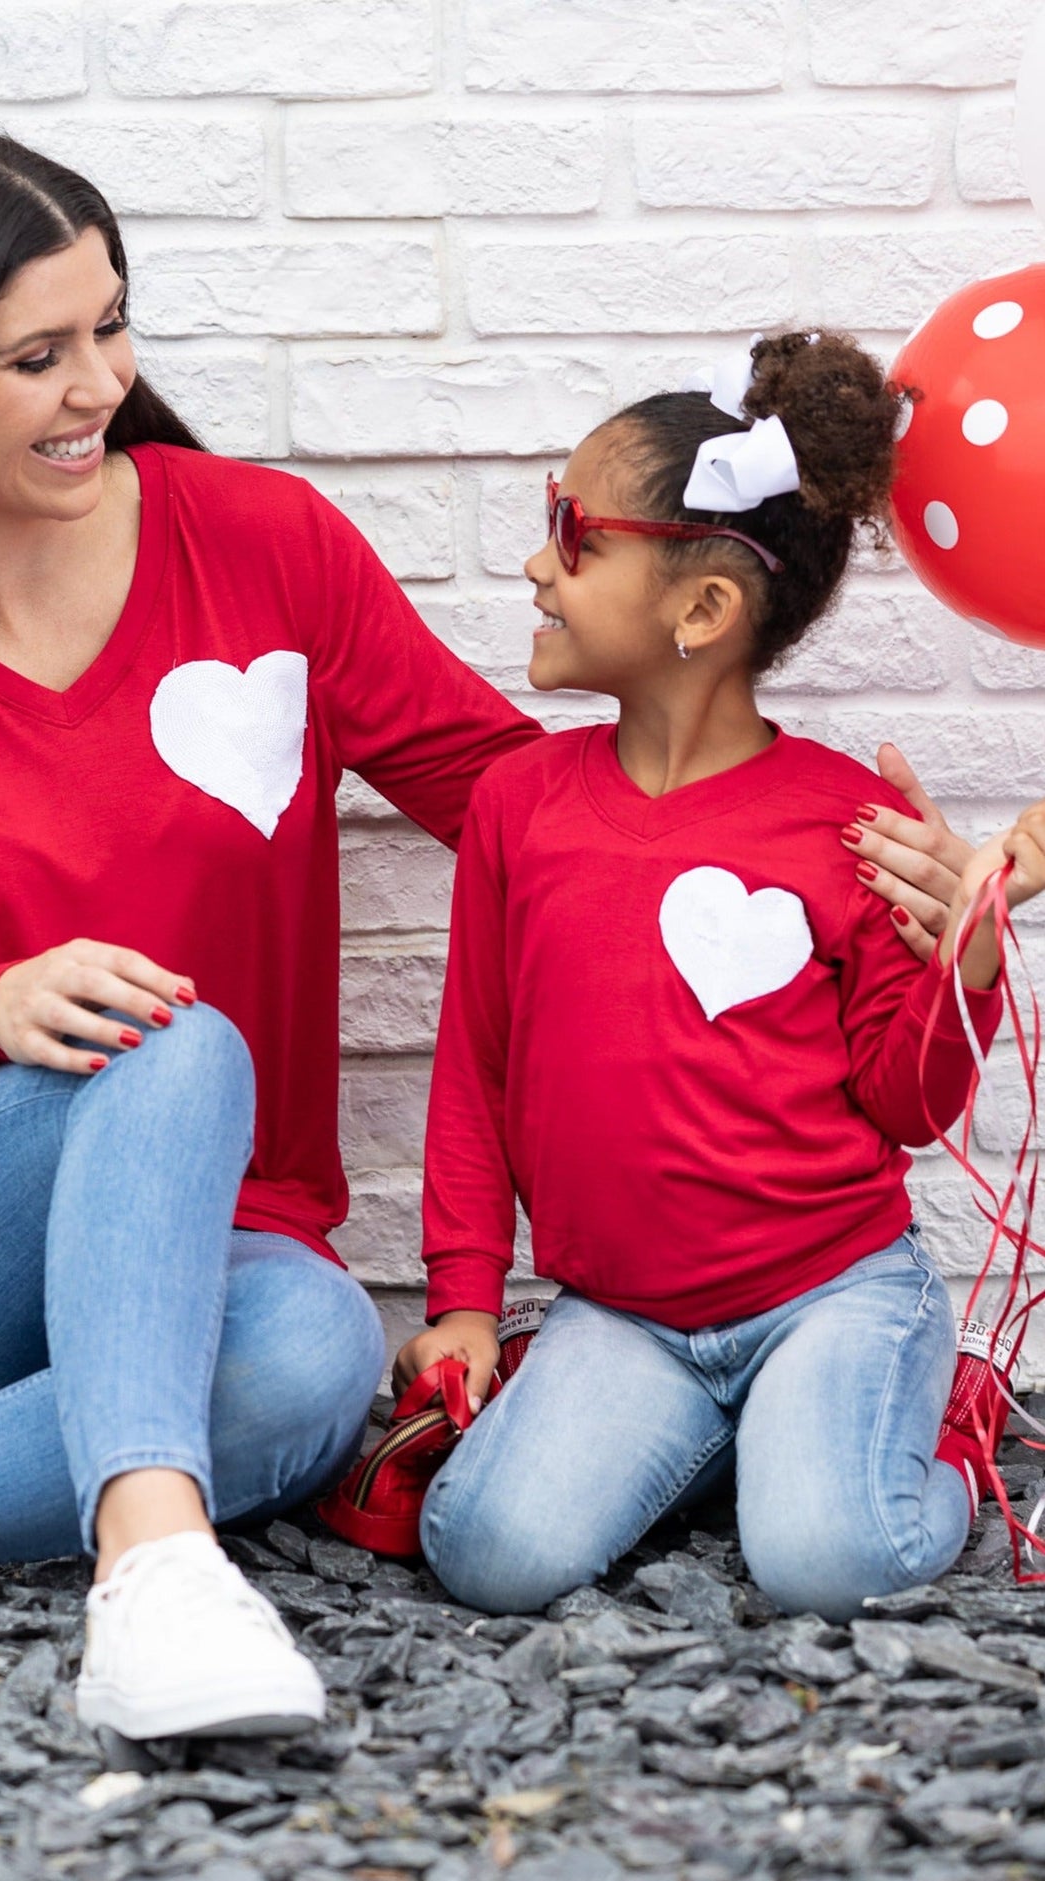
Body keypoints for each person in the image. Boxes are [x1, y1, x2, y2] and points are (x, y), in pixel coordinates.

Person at [0, 126, 968, 1724]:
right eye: (39, 357)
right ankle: (154, 1564)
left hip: (210, 1269)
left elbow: (539, 812)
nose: (102, 385)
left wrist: (855, 867)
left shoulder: (263, 548)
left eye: (111, 327)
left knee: (321, 1355)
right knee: (176, 1044)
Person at [395, 330, 1045, 1624]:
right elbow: (476, 1070)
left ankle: (943, 1439)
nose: (536, 564)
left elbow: (906, 1107)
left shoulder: (848, 823)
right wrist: (465, 1300)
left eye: (574, 534)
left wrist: (967, 946)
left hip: (833, 1288)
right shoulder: (520, 807)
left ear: (701, 611)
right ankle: (744, 1438)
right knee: (482, 1550)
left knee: (827, 1563)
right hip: (623, 1314)